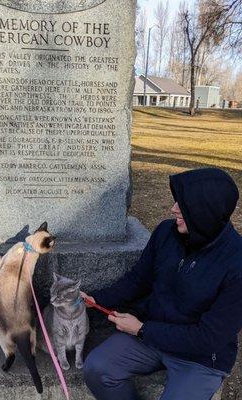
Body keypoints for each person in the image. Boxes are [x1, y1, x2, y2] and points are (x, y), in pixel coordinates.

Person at [81, 168, 242, 400]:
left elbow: (208, 338)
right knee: (98, 368)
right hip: (152, 339)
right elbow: (139, 279)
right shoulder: (166, 232)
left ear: (206, 210)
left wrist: (142, 329)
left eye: (183, 204)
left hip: (201, 358)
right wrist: (98, 299)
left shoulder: (236, 262)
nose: (174, 208)